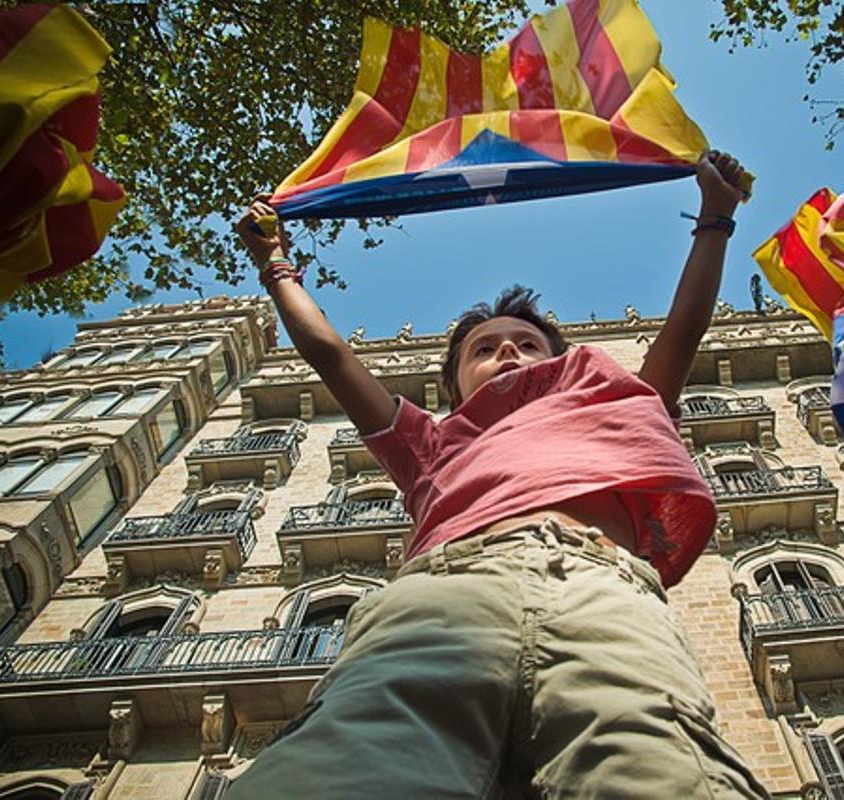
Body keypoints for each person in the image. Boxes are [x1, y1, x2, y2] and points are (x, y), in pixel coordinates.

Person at [228, 151, 771, 799]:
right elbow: (329, 354)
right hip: (440, 604)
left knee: (656, 769)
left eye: (526, 342)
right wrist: (274, 264)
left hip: (600, 595)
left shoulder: (615, 402)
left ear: (556, 361)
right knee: (343, 768)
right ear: (454, 387)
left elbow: (683, 329)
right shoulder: (429, 442)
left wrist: (714, 217)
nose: (507, 350)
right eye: (484, 349)